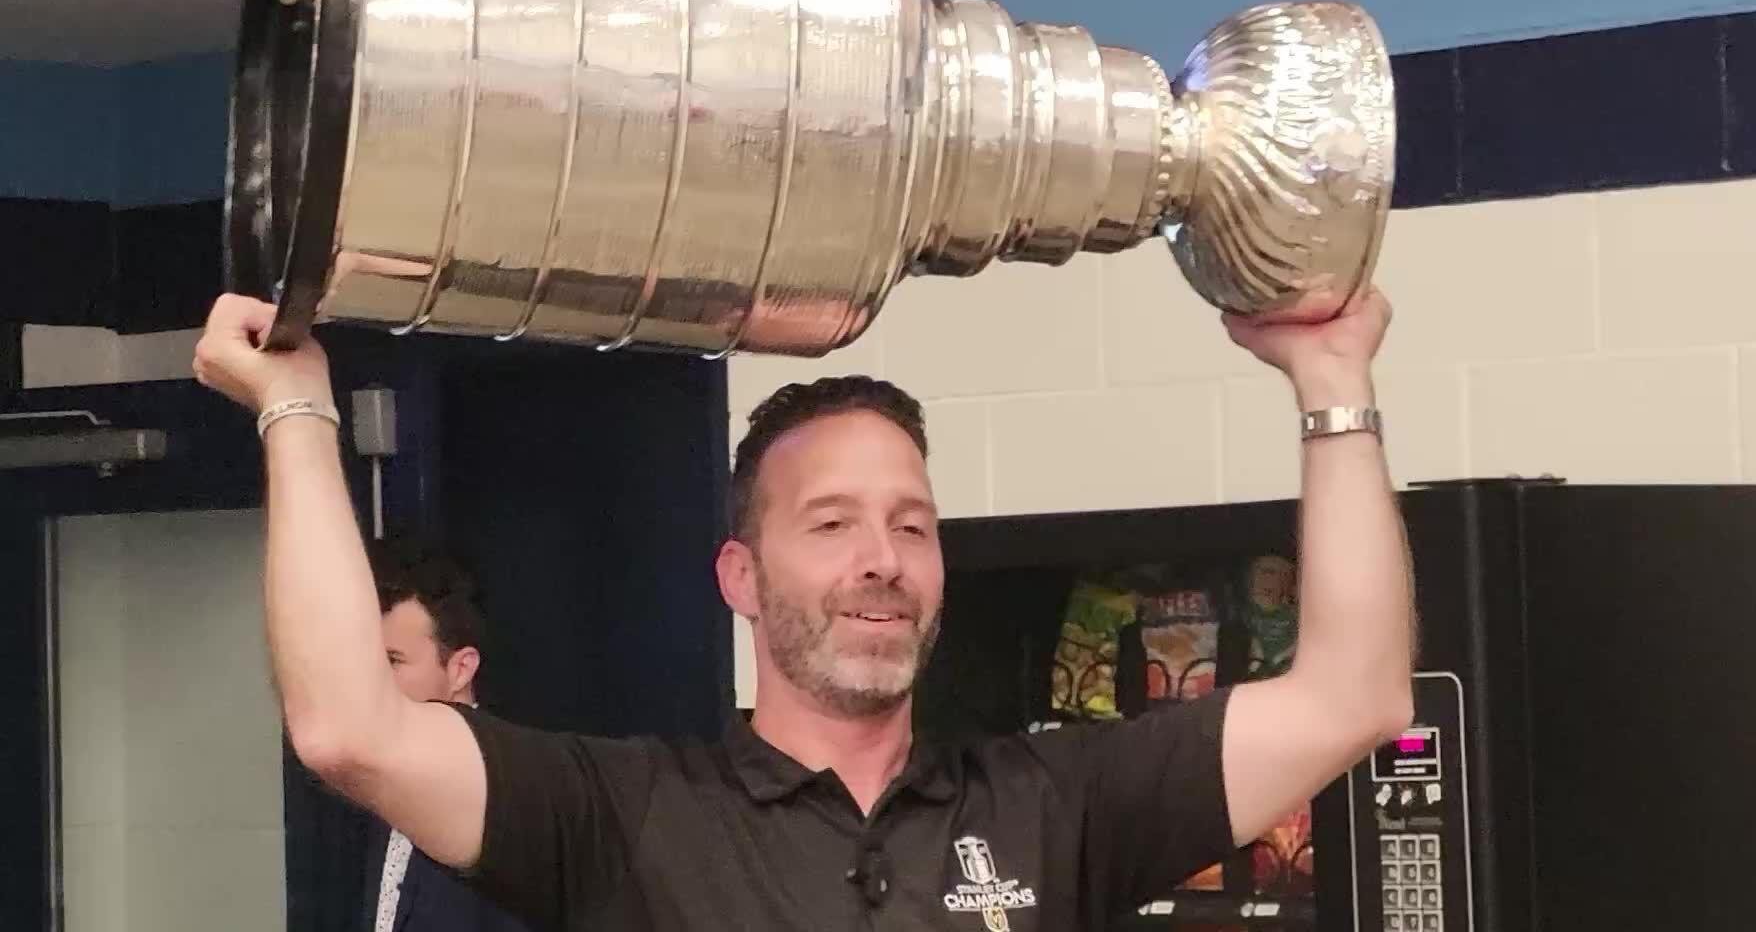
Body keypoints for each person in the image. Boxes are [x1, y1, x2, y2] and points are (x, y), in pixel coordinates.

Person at [193, 285, 1414, 931]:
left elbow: (1353, 696)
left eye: (912, 524)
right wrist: (296, 412)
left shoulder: (1056, 806)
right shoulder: (625, 819)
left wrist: (1333, 381)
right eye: (831, 525)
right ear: (740, 578)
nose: (881, 558)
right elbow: (349, 726)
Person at [361, 538, 532, 932]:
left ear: (461, 669)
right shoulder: (381, 783)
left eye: (392, 661)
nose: (370, 679)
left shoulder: (510, 793)